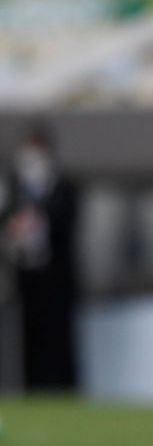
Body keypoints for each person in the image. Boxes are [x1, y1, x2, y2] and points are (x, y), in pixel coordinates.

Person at [2, 125, 78, 390]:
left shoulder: (63, 185)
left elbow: (64, 221)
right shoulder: (15, 187)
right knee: (30, 338)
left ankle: (64, 389)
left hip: (57, 281)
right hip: (27, 278)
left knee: (58, 339)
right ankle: (33, 388)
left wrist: (38, 222)